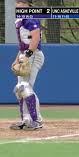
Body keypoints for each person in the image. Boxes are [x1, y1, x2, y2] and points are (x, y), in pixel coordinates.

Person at [10, 0, 44, 130]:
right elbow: (23, 45)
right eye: (18, 4)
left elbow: (35, 38)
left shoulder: (31, 18)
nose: (19, 6)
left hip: (34, 54)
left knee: (25, 87)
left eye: (22, 4)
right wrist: (17, 59)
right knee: (20, 89)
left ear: (28, 6)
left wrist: (27, 55)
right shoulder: (20, 20)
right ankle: (26, 119)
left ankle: (37, 120)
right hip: (25, 54)